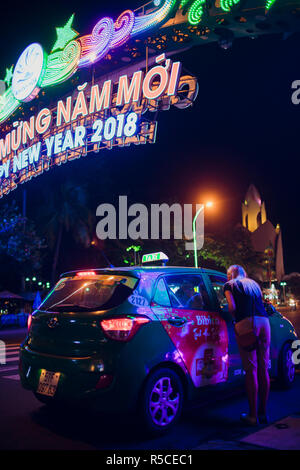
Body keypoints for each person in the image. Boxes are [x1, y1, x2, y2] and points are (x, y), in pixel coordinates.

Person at [224, 265, 271, 426]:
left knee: (251, 370)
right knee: (263, 368)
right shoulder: (253, 285)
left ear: (231, 275)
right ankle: (263, 413)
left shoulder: (230, 285)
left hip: (247, 324)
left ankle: (252, 416)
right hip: (264, 323)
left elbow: (232, 307)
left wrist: (235, 319)